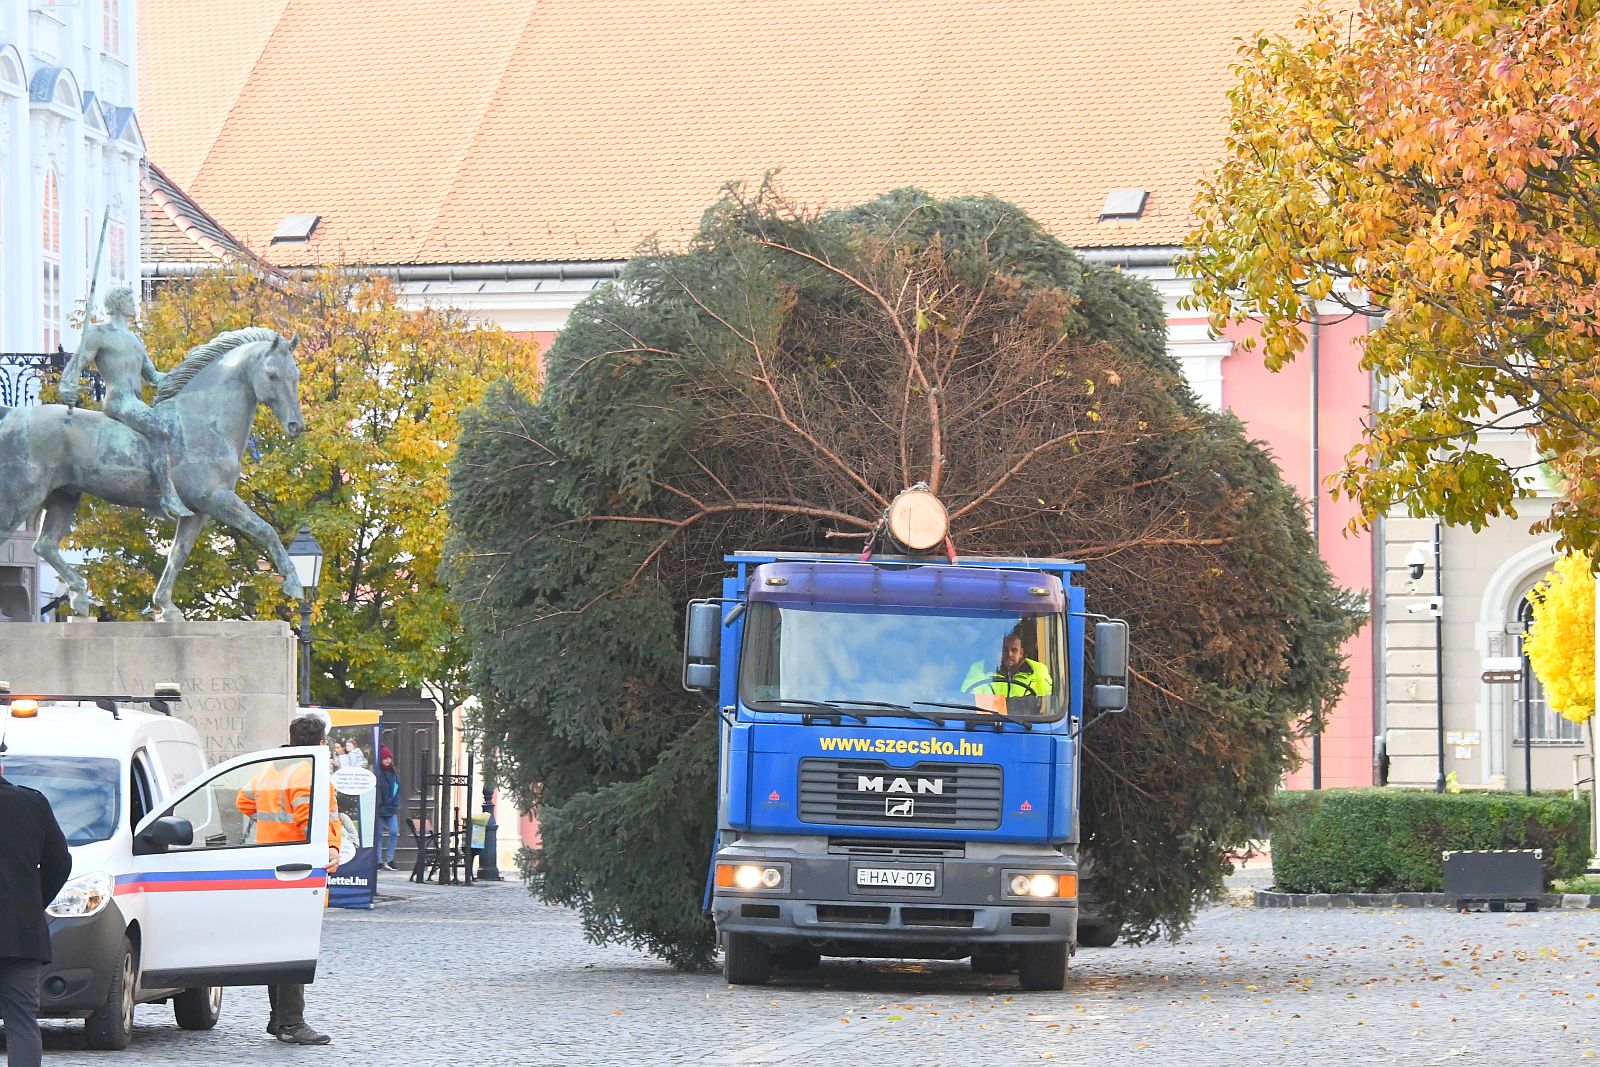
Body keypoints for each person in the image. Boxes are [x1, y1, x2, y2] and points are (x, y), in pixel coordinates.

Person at [236, 714, 340, 1046]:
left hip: (268, 863)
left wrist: (271, 827)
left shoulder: (271, 767)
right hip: (297, 867)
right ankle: (292, 1022)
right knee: (294, 945)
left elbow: (243, 801)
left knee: (278, 944)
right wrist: (331, 848)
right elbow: (312, 820)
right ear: (322, 743)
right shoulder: (309, 773)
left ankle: (278, 1018)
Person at [57, 287, 191, 519]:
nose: (134, 304)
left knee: (175, 427)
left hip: (136, 402)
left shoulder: (135, 339)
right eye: (130, 300)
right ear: (118, 303)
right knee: (161, 429)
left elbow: (153, 377)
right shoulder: (99, 333)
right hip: (119, 400)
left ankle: (152, 491)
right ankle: (166, 494)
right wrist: (66, 386)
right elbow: (77, 364)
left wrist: (187, 377)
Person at [0, 758, 72, 1067]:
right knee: (21, 1021)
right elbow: (60, 863)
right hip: (21, 933)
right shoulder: (32, 803)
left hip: (21, 930)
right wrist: (31, 903)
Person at [961, 631, 1054, 698]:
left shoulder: (1038, 670)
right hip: (989, 718)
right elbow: (969, 698)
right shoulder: (980, 668)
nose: (1009, 654)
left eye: (1014, 650)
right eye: (1004, 650)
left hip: (1027, 719)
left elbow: (1048, 700)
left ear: (1021, 653)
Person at [376, 746, 402, 872]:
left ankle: (390, 859)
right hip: (380, 809)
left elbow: (396, 789)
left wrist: (395, 803)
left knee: (394, 832)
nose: (387, 761)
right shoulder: (377, 773)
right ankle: (378, 861)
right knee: (378, 835)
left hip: (391, 808)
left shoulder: (394, 773)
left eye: (389, 758)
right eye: (384, 758)